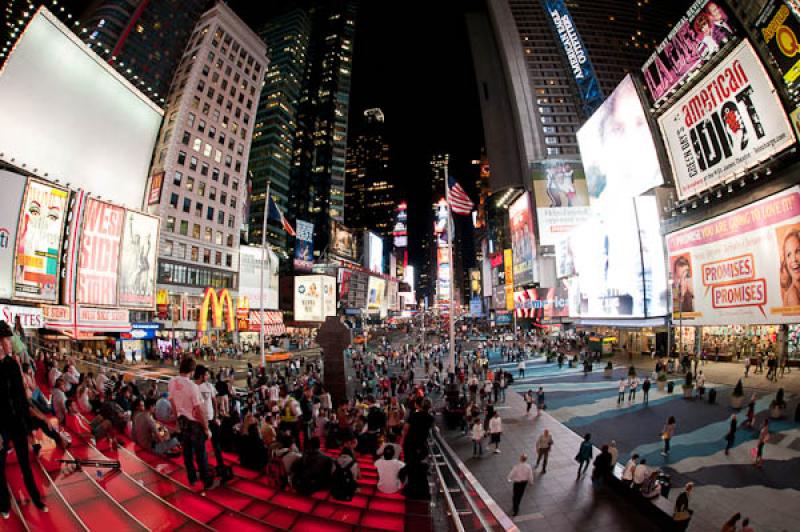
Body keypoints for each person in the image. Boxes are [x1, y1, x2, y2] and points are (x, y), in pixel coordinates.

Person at [0, 320, 47, 517]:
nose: (10, 343)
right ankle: (4, 504)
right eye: (7, 340)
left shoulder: (12, 364)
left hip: (17, 420)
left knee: (25, 464)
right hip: (1, 424)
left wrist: (28, 427)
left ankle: (36, 498)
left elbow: (21, 396)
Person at [168, 356, 214, 491]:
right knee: (201, 453)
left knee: (187, 452)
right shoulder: (192, 387)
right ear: (192, 371)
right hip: (194, 423)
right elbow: (199, 410)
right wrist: (206, 429)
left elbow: (172, 402)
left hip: (182, 421)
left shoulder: (172, 382)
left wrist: (177, 420)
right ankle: (206, 481)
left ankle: (192, 478)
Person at [780, 230, 800, 306]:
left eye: (798, 251)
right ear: (786, 263)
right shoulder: (793, 295)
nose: (794, 259)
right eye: (789, 255)